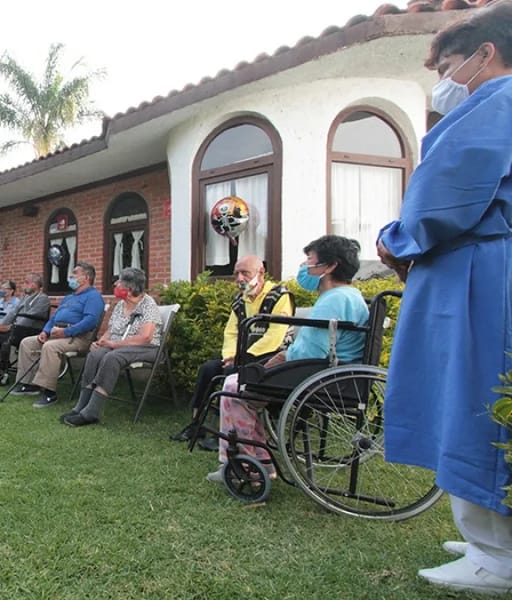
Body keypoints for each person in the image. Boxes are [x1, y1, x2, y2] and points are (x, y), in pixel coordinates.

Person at [376, 3, 512, 593]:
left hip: (478, 274)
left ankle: (496, 554)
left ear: (487, 54)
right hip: (474, 268)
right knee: (471, 401)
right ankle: (488, 537)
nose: (443, 82)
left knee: (474, 403)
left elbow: (439, 204)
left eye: (450, 64)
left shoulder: (497, 104)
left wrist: (393, 238)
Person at [207, 236, 368, 484]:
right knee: (245, 382)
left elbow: (307, 352)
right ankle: (260, 460)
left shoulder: (334, 299)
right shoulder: (349, 295)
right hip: (335, 374)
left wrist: (273, 363)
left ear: (330, 266)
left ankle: (246, 466)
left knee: (233, 387)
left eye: (310, 261)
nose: (305, 266)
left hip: (317, 375)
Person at [170, 254, 293, 443]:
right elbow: (231, 332)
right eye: (237, 274)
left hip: (270, 356)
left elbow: (274, 337)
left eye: (245, 273)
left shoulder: (280, 296)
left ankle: (226, 432)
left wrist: (241, 358)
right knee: (208, 369)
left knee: (230, 372)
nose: (239, 278)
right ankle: (197, 425)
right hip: (242, 355)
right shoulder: (240, 300)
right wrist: (230, 355)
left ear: (261, 273)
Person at [60, 267, 162, 427]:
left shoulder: (148, 304)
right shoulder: (121, 305)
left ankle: (92, 411)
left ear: (130, 288)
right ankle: (81, 406)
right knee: (95, 355)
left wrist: (114, 344)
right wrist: (102, 341)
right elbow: (111, 329)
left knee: (111, 357)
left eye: (119, 281)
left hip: (146, 348)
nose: (115, 284)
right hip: (120, 346)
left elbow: (145, 337)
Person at [11, 262, 105, 408]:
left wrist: (66, 332)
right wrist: (45, 331)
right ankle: (30, 384)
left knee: (50, 347)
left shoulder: (93, 297)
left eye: (75, 273)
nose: (71, 276)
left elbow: (90, 321)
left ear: (86, 277)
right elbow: (54, 318)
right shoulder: (69, 297)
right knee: (27, 342)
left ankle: (49, 393)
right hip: (57, 333)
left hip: (79, 337)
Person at [0, 273, 51, 383]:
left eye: (25, 283)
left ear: (33, 285)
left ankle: (4, 368)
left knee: (6, 340)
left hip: (30, 330)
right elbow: (13, 313)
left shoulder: (43, 299)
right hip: (17, 328)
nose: (23, 285)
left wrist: (11, 327)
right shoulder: (25, 297)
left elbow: (29, 319)